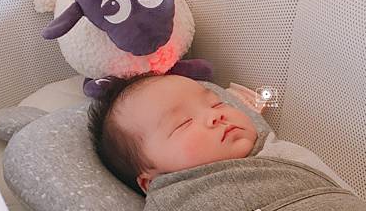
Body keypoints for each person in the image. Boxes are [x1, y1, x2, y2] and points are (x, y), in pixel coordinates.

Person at [88, 73, 259, 195]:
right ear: (152, 182)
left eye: (216, 104)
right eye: (183, 123)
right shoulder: (176, 206)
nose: (215, 115)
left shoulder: (267, 143)